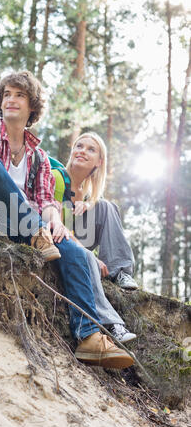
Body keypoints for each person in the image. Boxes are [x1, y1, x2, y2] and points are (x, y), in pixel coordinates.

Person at [0, 70, 134, 369]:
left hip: (29, 230)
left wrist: (55, 222)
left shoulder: (39, 157)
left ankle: (89, 336)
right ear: (0, 103)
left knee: (76, 250)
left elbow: (47, 202)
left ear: (32, 107)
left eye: (20, 95)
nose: (11, 100)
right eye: (6, 95)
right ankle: (36, 231)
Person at [52, 132, 137, 343]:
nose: (82, 151)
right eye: (79, 146)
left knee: (108, 206)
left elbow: (96, 207)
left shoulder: (89, 192)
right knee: (87, 257)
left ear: (99, 162)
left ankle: (121, 272)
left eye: (91, 149)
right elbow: (57, 225)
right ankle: (112, 324)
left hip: (77, 236)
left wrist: (89, 204)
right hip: (58, 236)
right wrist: (90, 253)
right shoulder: (56, 178)